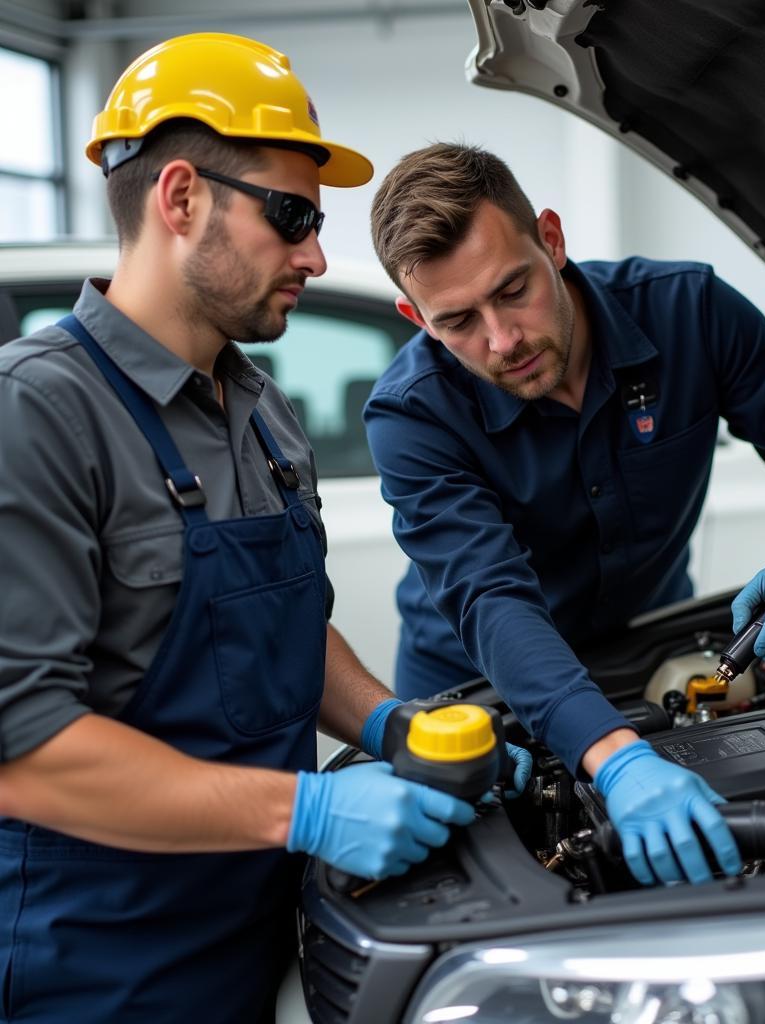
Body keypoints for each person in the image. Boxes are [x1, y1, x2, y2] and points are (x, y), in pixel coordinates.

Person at [0, 37, 528, 1024]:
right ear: (182, 198)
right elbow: (22, 752)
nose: (317, 256)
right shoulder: (37, 415)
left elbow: (282, 631)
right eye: (292, 216)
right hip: (92, 969)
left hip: (253, 939)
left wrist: (389, 722)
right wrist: (311, 810)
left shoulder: (260, 408)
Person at [365, 142, 765, 889]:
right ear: (413, 317)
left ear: (551, 237)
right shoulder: (410, 415)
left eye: (514, 288)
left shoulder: (690, 312)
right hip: (477, 687)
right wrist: (618, 759)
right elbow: (493, 600)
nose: (502, 339)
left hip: (652, 652)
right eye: (457, 321)